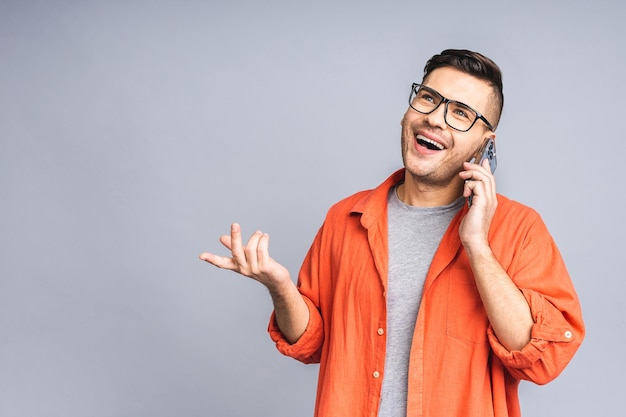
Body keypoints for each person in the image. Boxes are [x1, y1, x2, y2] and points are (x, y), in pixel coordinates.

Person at [200, 49, 585, 417]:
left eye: (461, 113)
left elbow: (540, 358)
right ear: (408, 111)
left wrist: (477, 247)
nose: (436, 118)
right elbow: (311, 343)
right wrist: (280, 288)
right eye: (429, 98)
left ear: (485, 145)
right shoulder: (345, 218)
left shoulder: (520, 230)